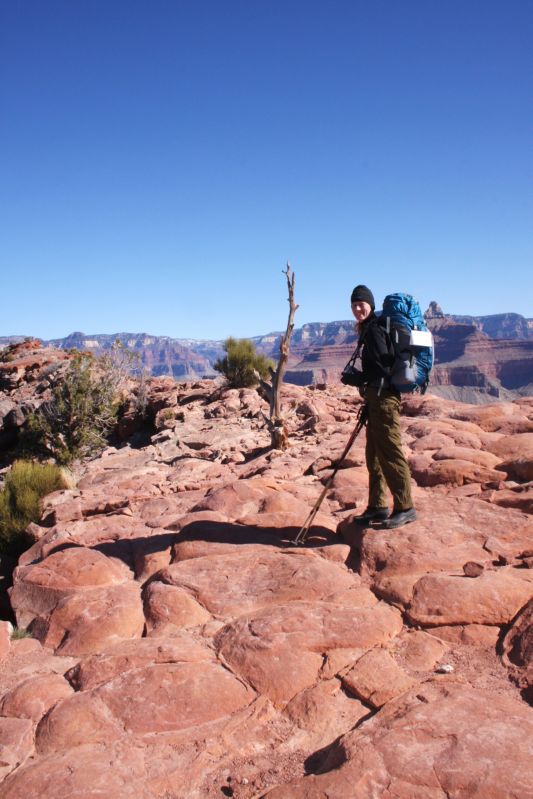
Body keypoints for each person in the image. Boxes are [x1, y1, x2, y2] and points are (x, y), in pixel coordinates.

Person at [346, 284, 417, 529]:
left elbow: (382, 368)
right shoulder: (370, 328)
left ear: (371, 305)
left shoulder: (375, 329)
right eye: (354, 305)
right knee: (374, 455)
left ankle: (405, 507)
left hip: (385, 400)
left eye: (361, 304)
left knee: (390, 453)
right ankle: (377, 506)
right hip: (376, 399)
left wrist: (357, 378)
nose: (357, 309)